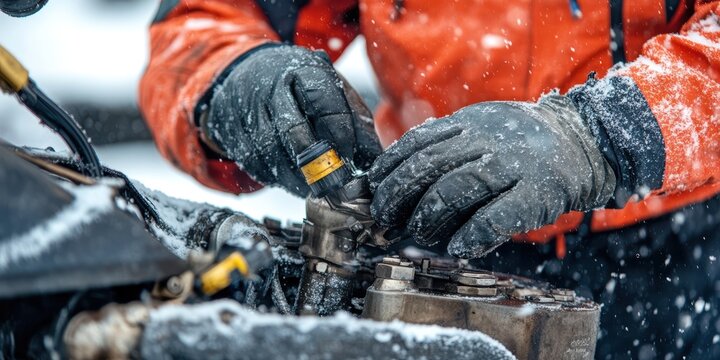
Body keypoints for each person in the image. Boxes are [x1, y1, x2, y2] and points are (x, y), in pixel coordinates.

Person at [140, 1, 720, 358]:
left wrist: (603, 135)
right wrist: (231, 79)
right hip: (423, 240)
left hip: (670, 255)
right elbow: (206, 16)